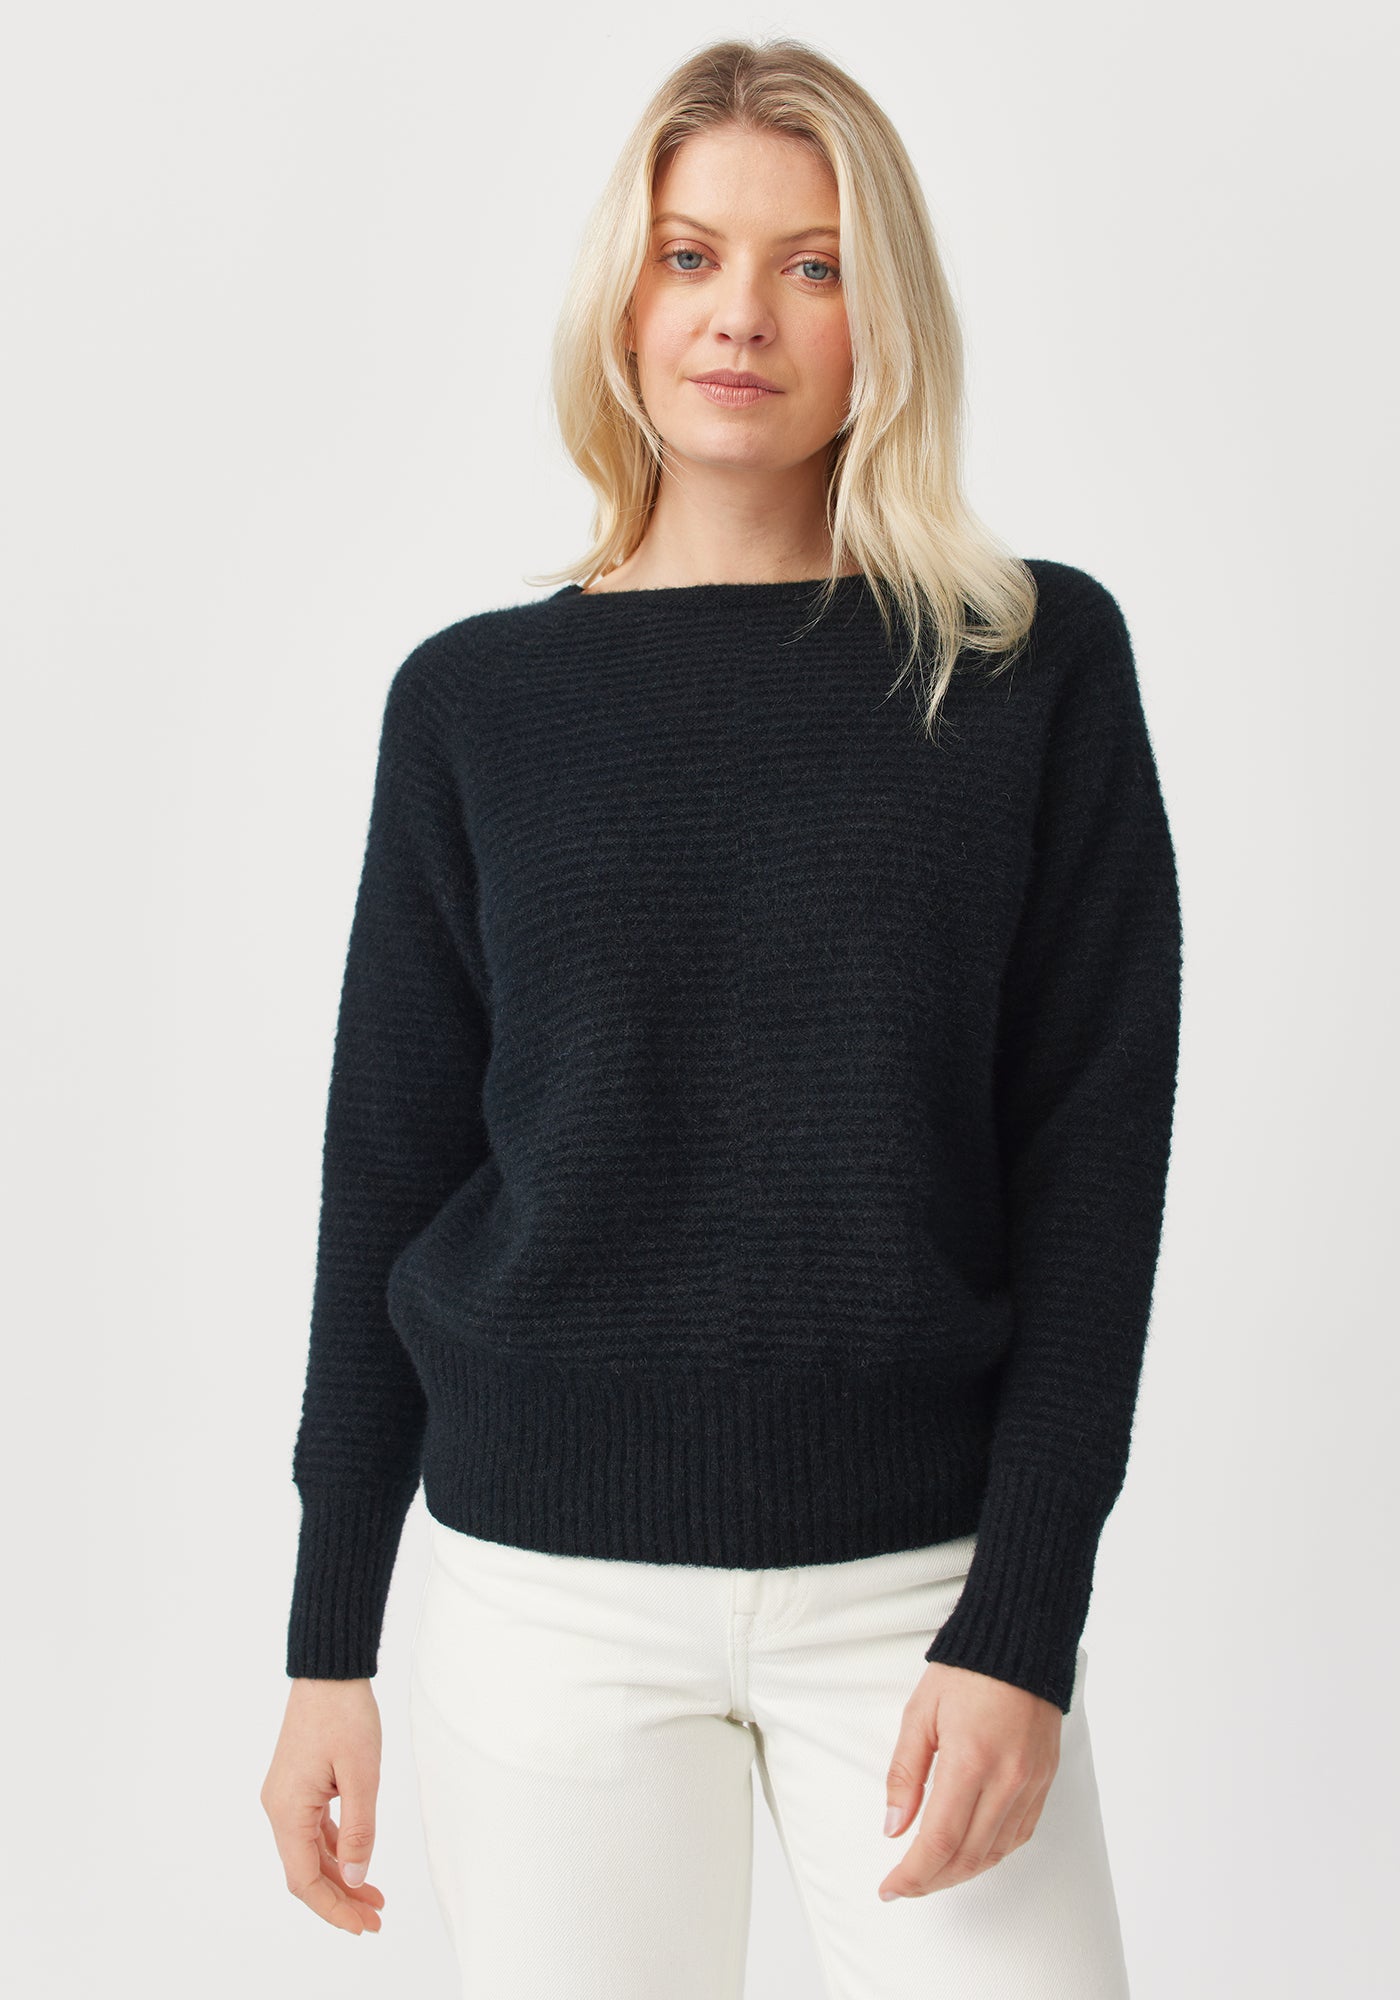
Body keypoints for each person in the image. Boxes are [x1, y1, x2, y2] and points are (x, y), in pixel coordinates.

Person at [260, 35, 1182, 2000]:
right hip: (546, 1601)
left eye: (810, 265)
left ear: (884, 319)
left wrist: (1024, 1621)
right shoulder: (476, 706)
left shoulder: (1026, 667)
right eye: (688, 255)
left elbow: (1094, 1169)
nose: (738, 314)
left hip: (920, 1595)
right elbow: (387, 1168)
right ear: (625, 301)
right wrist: (328, 1641)